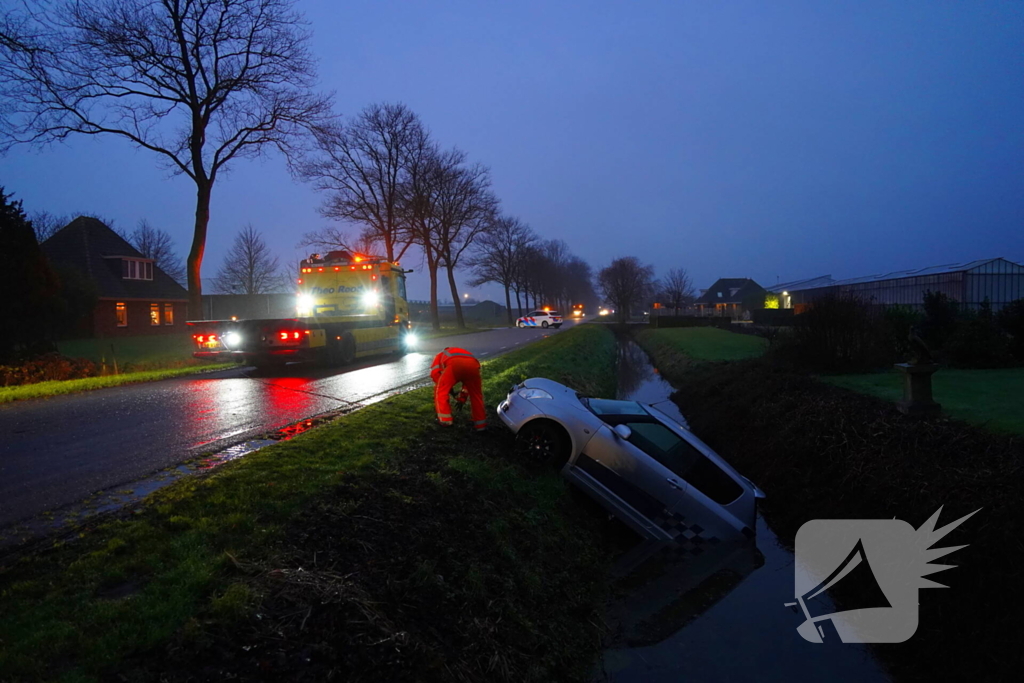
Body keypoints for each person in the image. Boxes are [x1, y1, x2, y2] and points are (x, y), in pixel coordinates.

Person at [430, 346, 487, 431]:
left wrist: (448, 389)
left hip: (455, 364)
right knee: (476, 395)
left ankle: (445, 420)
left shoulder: (439, 356)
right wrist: (462, 398)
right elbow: (466, 386)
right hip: (473, 365)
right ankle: (481, 425)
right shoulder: (457, 352)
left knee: (440, 391)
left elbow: (435, 374)